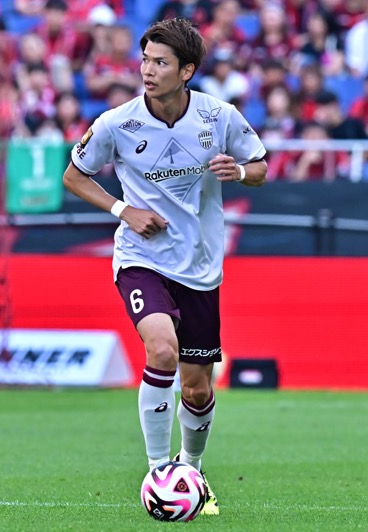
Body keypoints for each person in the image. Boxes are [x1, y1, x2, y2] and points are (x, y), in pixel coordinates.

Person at [62, 17, 267, 517]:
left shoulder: (220, 117)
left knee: (197, 386)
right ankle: (158, 473)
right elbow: (74, 175)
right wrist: (122, 210)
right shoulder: (118, 122)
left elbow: (260, 166)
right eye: (146, 60)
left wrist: (238, 171)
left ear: (187, 71)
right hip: (141, 258)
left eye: (160, 63)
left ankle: (191, 470)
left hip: (199, 269)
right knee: (161, 348)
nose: (148, 70)